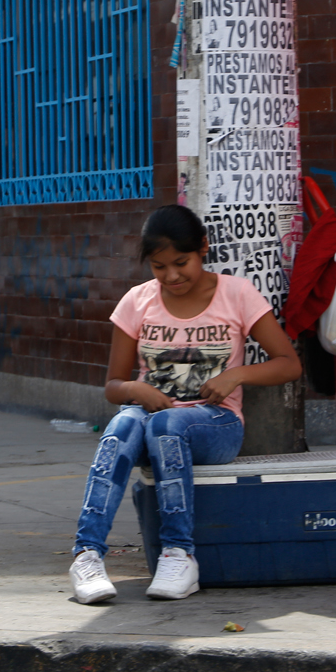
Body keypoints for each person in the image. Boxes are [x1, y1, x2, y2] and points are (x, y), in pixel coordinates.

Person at [68, 205, 302, 603]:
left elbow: (289, 364)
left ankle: (179, 554)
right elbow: (112, 385)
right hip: (149, 418)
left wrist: (236, 375)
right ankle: (87, 555)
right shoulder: (136, 301)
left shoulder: (237, 294)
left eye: (181, 262)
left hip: (216, 425)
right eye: (159, 266)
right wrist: (134, 391)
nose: (172, 276)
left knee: (166, 426)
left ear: (203, 249)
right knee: (124, 424)